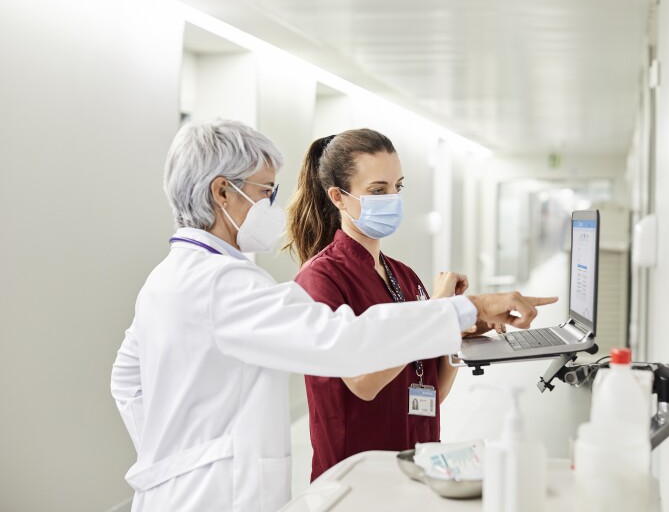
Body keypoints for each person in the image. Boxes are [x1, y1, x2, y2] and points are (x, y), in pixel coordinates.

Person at [110, 119, 557, 512]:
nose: (272, 204)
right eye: (266, 190)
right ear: (222, 191)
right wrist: (464, 309)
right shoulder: (224, 284)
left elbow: (126, 379)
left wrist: (172, 453)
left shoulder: (168, 278)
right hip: (214, 496)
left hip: (184, 489)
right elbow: (347, 345)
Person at [284, 129, 554, 481]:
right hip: (357, 475)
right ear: (338, 197)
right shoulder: (320, 279)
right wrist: (439, 311)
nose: (393, 198)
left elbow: (434, 391)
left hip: (420, 461)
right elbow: (364, 383)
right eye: (378, 190)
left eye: (398, 186)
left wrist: (458, 330)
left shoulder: (404, 276)